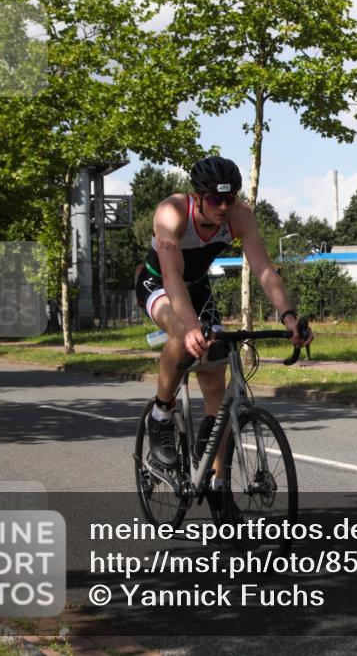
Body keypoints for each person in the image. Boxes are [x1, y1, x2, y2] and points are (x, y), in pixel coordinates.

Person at [135, 155, 312, 485]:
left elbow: (263, 269)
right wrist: (189, 327)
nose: (222, 208)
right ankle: (160, 415)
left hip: (198, 288)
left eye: (229, 199)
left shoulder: (240, 216)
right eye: (215, 199)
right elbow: (172, 276)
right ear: (197, 196)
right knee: (179, 334)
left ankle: (216, 482)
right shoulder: (172, 212)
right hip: (158, 282)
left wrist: (289, 317)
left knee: (216, 371)